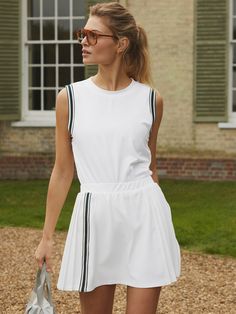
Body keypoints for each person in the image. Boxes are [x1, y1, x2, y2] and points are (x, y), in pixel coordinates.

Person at [35, 2, 181, 313]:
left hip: (144, 216)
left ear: (121, 44)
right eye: (81, 34)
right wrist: (46, 238)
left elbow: (150, 166)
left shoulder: (151, 100)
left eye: (92, 35)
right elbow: (62, 171)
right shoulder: (70, 98)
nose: (83, 41)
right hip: (95, 216)